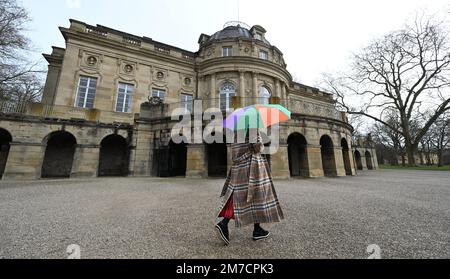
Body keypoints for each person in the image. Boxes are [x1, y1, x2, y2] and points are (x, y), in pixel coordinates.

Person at [215, 129, 284, 245]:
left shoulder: (236, 131)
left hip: (239, 165)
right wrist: (261, 141)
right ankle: (223, 224)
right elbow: (257, 147)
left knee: (248, 196)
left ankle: (257, 229)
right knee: (251, 196)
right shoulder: (252, 126)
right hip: (251, 165)